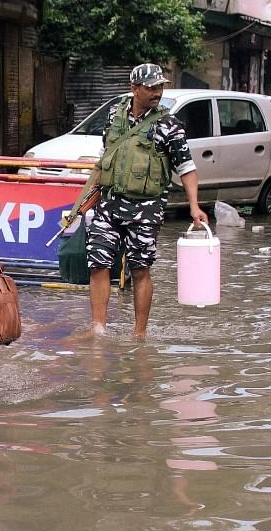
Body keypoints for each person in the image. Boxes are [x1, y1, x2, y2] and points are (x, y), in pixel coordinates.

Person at [68, 63, 208, 339]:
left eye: (160, 87)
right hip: (109, 203)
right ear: (134, 89)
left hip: (146, 208)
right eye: (151, 87)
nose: (157, 92)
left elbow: (187, 169)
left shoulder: (169, 126)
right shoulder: (114, 115)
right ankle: (98, 328)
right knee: (98, 263)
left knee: (140, 268)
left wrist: (194, 206)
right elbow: (106, 154)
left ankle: (139, 334)